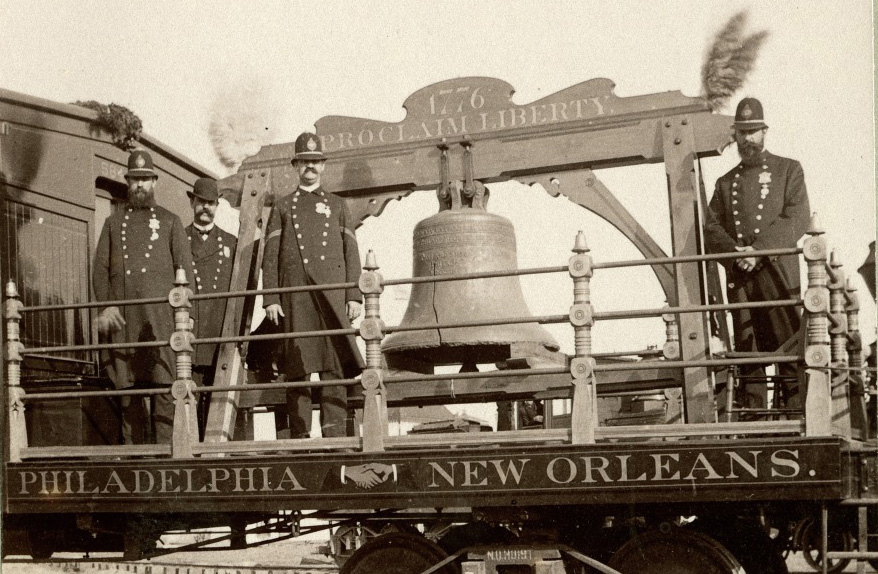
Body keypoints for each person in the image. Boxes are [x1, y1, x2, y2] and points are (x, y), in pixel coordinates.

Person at [704, 97, 810, 410]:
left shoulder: (788, 169)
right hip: (742, 278)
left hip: (777, 273)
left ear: (764, 132)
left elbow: (798, 216)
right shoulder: (725, 183)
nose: (748, 139)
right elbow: (710, 228)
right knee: (748, 353)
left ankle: (795, 417)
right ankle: (754, 422)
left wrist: (759, 251)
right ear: (734, 135)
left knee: (790, 348)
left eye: (753, 131)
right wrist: (737, 254)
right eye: (742, 132)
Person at [261, 132, 365, 439]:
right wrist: (271, 298)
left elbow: (351, 253)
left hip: (331, 296)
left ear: (323, 167)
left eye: (316, 162)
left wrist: (354, 295)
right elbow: (271, 255)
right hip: (296, 297)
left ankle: (334, 438)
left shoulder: (337, 205)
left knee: (334, 368)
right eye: (305, 161)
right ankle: (301, 438)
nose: (310, 167)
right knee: (298, 368)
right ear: (296, 166)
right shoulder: (282, 207)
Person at [93, 150, 195, 444]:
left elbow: (186, 278)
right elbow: (99, 270)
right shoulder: (112, 224)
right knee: (129, 399)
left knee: (165, 393)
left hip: (161, 323)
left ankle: (169, 463)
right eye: (134, 179)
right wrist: (106, 305)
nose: (139, 185)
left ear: (154, 182)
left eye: (145, 179)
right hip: (125, 324)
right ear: (127, 182)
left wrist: (185, 325)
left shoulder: (170, 221)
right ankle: (135, 463)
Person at [185, 177, 237, 438]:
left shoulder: (231, 243)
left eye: (211, 203)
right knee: (189, 397)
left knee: (216, 400)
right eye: (201, 202)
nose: (206, 208)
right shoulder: (179, 240)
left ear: (217, 206)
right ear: (192, 202)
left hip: (218, 333)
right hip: (190, 332)